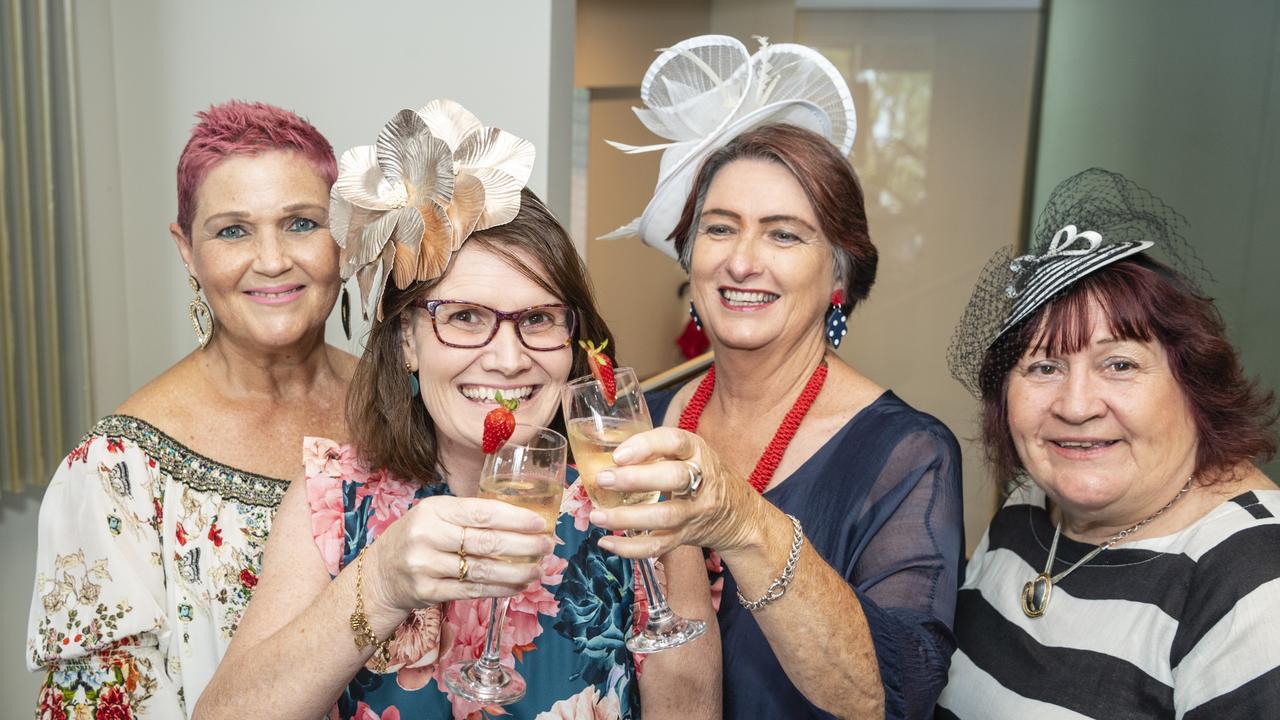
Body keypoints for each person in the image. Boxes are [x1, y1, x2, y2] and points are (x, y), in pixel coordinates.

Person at [193, 99, 718, 720]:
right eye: (465, 318)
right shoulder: (333, 497)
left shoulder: (637, 499)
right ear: (408, 341)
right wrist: (381, 582)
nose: (508, 358)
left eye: (539, 319)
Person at [592, 36, 964, 719]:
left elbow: (897, 696)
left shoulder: (907, 455)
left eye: (784, 235)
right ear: (689, 257)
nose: (742, 261)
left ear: (841, 277)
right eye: (720, 229)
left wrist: (743, 522)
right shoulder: (641, 417)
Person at [28, 100, 351, 718]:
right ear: (187, 250)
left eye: (302, 223)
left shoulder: (405, 405)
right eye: (233, 230)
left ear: (345, 234)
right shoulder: (114, 474)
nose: (273, 259)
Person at [935, 168, 1280, 718]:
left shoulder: (1254, 581)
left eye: (1119, 364)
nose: (1075, 406)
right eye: (1044, 366)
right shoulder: (1029, 503)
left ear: (1194, 384)